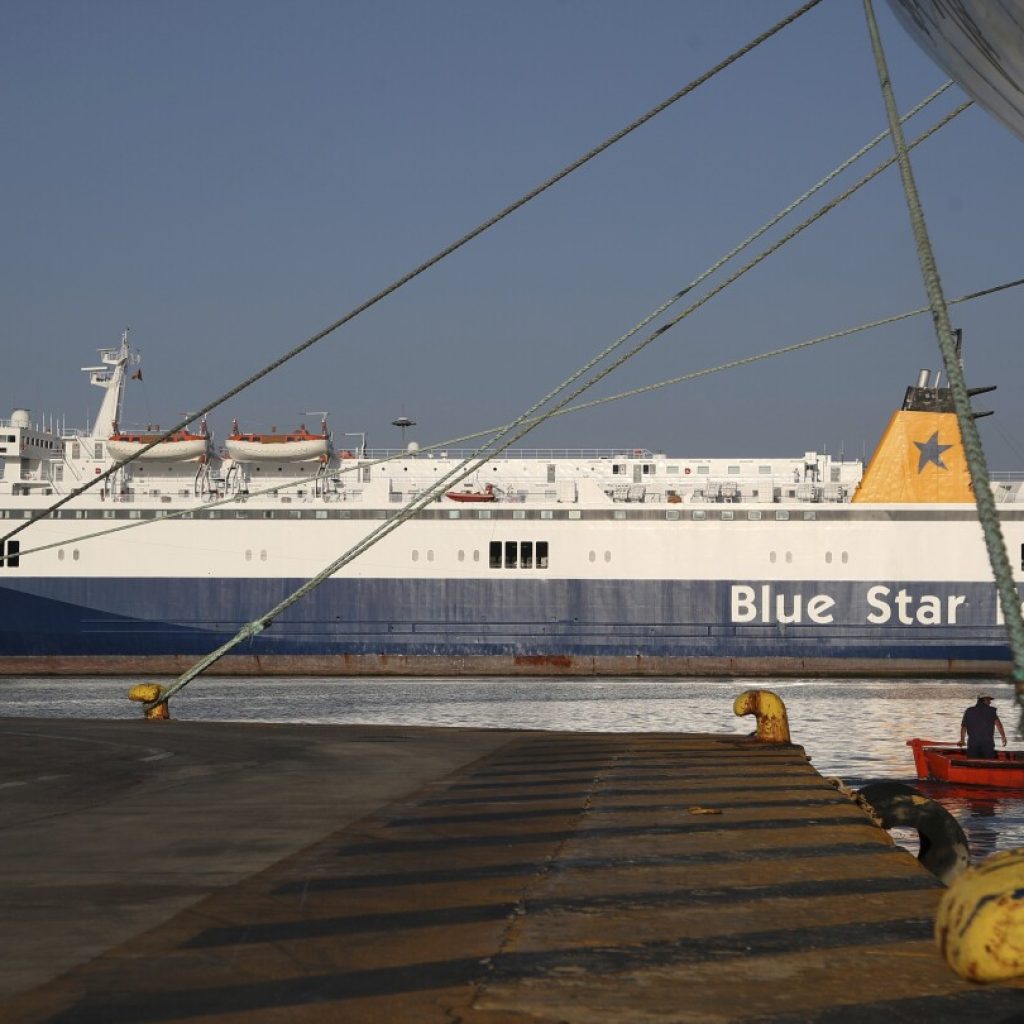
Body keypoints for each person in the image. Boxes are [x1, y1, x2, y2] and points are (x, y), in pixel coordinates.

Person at [959, 694, 1007, 759]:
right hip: (987, 745)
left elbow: (964, 727)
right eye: (989, 700)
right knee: (989, 763)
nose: (990, 702)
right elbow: (999, 725)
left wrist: (962, 740)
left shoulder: (969, 711)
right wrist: (1003, 737)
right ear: (984, 700)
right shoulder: (991, 711)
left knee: (972, 763)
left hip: (973, 745)